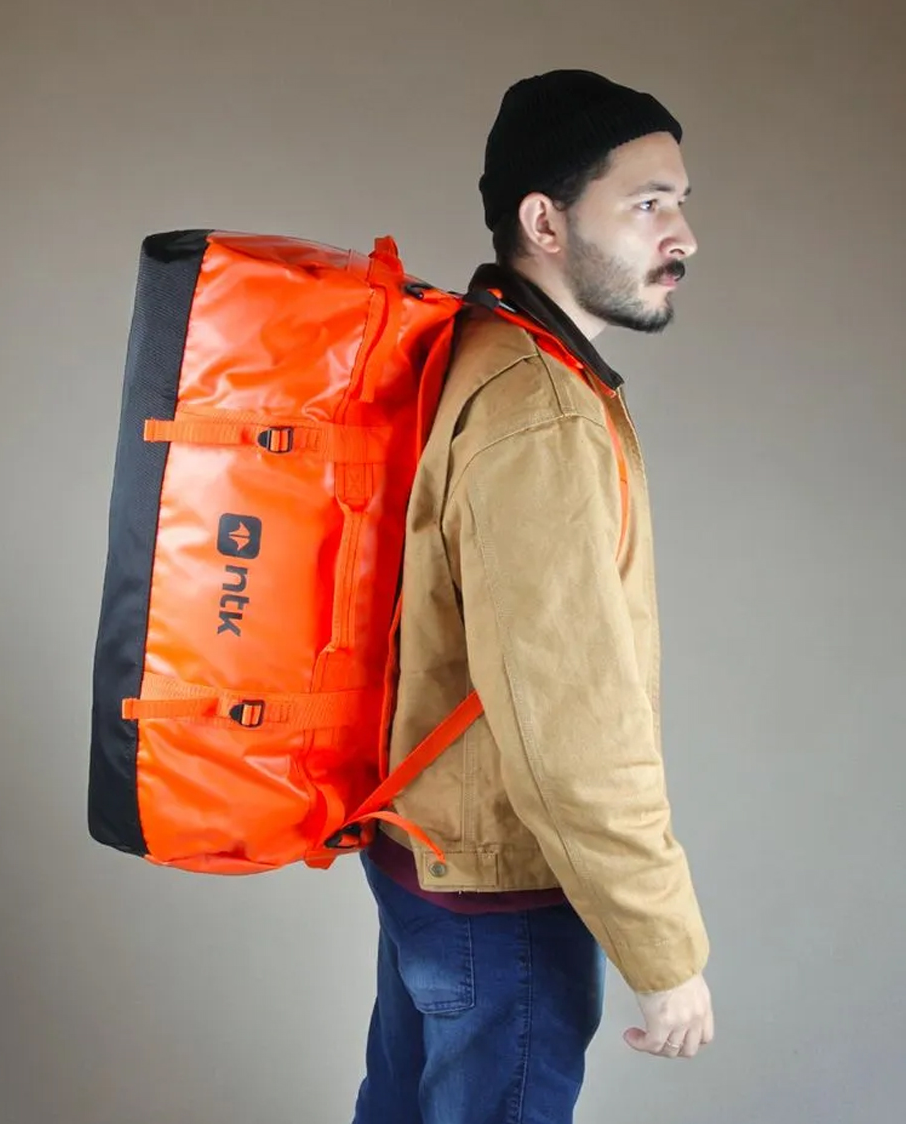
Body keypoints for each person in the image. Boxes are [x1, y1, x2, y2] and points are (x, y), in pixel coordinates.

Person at [351, 69, 714, 1124]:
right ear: (544, 222)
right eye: (647, 204)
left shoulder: (474, 351)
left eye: (681, 202)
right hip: (497, 901)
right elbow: (571, 726)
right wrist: (664, 950)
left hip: (431, 854)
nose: (684, 236)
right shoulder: (540, 411)